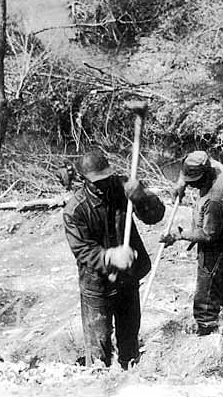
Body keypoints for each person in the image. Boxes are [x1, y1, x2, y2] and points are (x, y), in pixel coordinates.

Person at [63, 149, 165, 369]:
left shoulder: (123, 188)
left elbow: (155, 216)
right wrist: (111, 255)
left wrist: (141, 198)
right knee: (99, 348)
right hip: (97, 287)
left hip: (127, 280)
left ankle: (128, 373)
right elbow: (83, 250)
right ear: (84, 180)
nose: (104, 184)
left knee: (129, 341)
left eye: (106, 178)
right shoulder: (75, 210)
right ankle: (100, 380)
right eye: (97, 181)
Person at [161, 151, 223, 336]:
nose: (190, 184)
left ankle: (207, 338)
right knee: (220, 284)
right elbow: (193, 161)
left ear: (203, 176)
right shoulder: (216, 167)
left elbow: (207, 235)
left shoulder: (214, 200)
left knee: (205, 300)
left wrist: (179, 236)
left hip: (218, 250)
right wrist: (181, 183)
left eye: (192, 181)